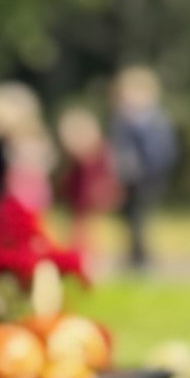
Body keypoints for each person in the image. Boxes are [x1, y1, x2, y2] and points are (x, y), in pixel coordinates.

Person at [108, 67, 178, 270]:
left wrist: (146, 167)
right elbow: (118, 147)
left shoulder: (156, 120)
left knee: (142, 217)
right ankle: (134, 254)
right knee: (129, 217)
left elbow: (163, 151)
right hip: (128, 177)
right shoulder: (122, 120)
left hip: (149, 176)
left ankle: (143, 256)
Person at [0, 83, 55, 215]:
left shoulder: (32, 136)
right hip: (15, 183)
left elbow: (45, 160)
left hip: (28, 183)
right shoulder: (4, 139)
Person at [56, 106, 119, 265]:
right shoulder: (78, 157)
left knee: (89, 229)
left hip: (90, 197)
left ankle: (87, 258)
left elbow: (102, 177)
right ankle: (77, 256)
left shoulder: (96, 153)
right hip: (78, 197)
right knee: (78, 229)